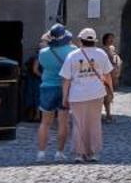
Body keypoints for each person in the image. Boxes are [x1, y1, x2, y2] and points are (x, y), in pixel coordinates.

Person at [60, 27, 115, 162]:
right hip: (96, 93)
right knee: (95, 123)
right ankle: (94, 153)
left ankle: (79, 153)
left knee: (79, 124)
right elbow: (108, 75)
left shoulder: (72, 55)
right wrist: (111, 91)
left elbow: (66, 79)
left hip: (77, 94)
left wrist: (64, 97)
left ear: (81, 40)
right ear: (94, 40)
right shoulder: (101, 54)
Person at [34, 26, 76, 161]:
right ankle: (59, 153)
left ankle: (41, 153)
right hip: (65, 88)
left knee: (45, 123)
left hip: (47, 87)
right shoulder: (73, 51)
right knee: (63, 122)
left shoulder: (43, 53)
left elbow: (41, 64)